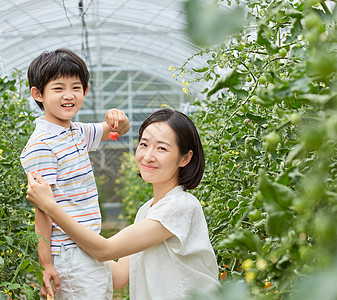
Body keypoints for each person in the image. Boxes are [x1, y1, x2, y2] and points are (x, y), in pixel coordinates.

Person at [26, 108, 221, 300]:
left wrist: (49, 205)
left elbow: (105, 250)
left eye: (161, 148)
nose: (148, 156)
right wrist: (62, 260)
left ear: (186, 158)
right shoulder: (147, 210)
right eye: (144, 144)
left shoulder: (181, 205)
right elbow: (119, 275)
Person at [20, 48, 130, 299]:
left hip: (87, 244)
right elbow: (43, 209)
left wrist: (120, 120)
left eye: (76, 88)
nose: (68, 96)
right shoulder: (42, 144)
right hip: (69, 253)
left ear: (85, 91)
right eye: (58, 88)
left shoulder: (77, 132)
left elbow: (115, 130)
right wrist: (46, 263)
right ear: (38, 94)